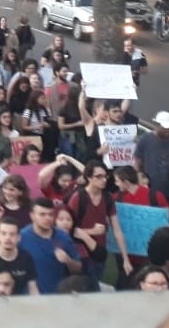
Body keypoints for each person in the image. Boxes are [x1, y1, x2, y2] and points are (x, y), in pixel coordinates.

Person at [66, 160, 133, 288]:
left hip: (100, 252)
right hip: (81, 252)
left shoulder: (107, 198)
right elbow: (66, 228)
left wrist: (125, 259)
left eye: (105, 176)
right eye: (98, 176)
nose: (103, 180)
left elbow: (117, 230)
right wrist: (91, 231)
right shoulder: (78, 197)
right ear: (88, 178)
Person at [19, 197, 82, 294]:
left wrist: (68, 260)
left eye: (50, 214)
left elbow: (79, 268)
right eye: (42, 214)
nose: (47, 218)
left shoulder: (63, 237)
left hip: (58, 296)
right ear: (32, 216)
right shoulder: (21, 237)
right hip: (30, 298)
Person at [134, 111, 169, 201]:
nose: (167, 131)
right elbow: (137, 160)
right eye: (165, 128)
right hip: (152, 187)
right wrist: (139, 177)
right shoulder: (145, 140)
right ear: (157, 125)